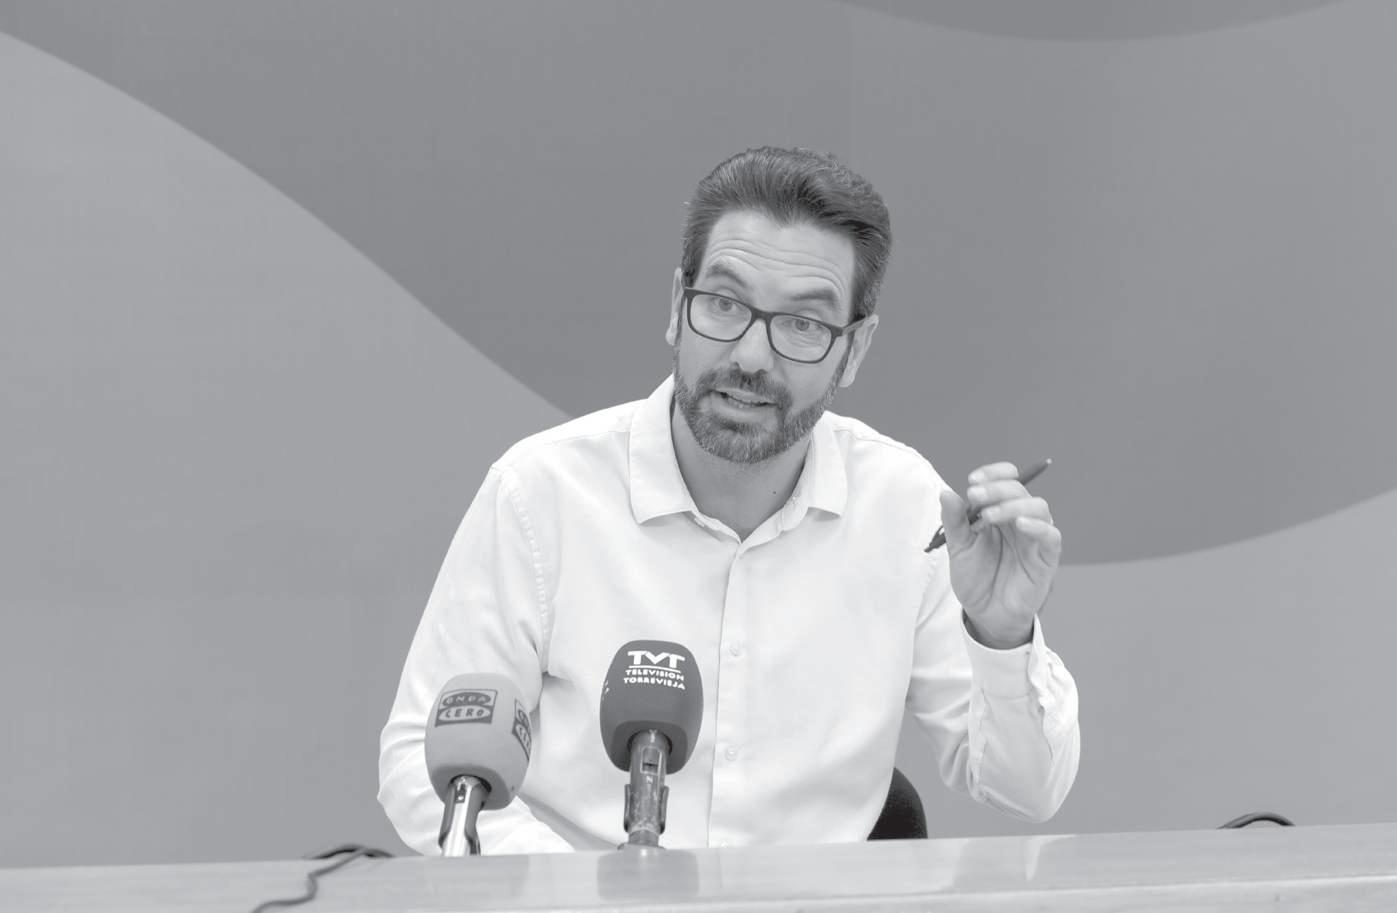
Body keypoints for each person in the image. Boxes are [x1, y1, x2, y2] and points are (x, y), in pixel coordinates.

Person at [378, 146, 1080, 854]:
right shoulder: (541, 494)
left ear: (855, 349)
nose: (750, 356)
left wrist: (1001, 636)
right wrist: (590, 897)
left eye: (803, 324)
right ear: (675, 308)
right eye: (723, 304)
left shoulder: (904, 508)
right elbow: (420, 763)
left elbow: (1027, 789)